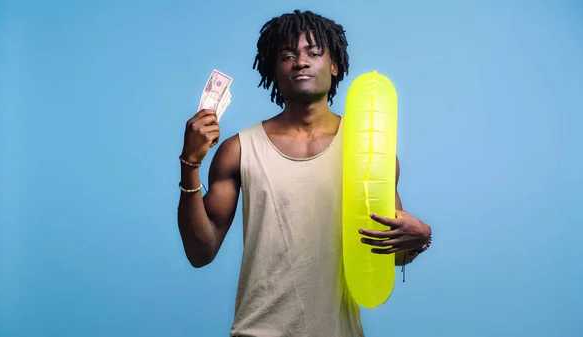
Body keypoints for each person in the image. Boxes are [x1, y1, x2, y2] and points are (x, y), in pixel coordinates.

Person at [177, 9, 432, 337]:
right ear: (274, 68)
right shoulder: (238, 149)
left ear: (334, 65)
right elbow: (201, 252)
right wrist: (190, 164)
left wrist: (419, 239)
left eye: (314, 53)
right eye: (287, 55)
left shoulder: (370, 149)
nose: (301, 62)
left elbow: (389, 253)